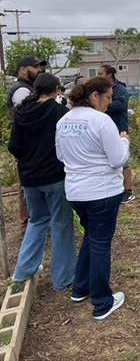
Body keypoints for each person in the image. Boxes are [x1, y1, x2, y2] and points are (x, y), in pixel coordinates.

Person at [55, 76, 129, 320]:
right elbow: (117, 159)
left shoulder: (64, 120)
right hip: (102, 192)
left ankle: (80, 287)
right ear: (94, 96)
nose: (109, 102)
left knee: (91, 237)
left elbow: (60, 155)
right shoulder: (101, 121)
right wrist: (124, 142)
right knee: (100, 243)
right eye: (107, 97)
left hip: (76, 191)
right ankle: (101, 302)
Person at [8, 73, 77, 291]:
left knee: (37, 221)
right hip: (55, 177)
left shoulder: (21, 112)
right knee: (61, 224)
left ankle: (23, 271)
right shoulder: (59, 113)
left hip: (29, 178)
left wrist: (28, 159)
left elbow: (13, 146)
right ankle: (63, 278)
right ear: (57, 89)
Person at [7, 55, 47, 236]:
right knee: (28, 183)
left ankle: (35, 220)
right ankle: (29, 222)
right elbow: (26, 118)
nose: (39, 70)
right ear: (23, 70)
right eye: (35, 67)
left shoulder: (28, 88)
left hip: (29, 143)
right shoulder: (21, 91)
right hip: (26, 144)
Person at [97, 65, 134, 204]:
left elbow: (119, 106)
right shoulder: (99, 90)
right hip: (104, 129)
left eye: (101, 73)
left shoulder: (121, 89)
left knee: (123, 161)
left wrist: (102, 106)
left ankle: (128, 191)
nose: (98, 75)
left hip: (119, 130)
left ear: (109, 75)